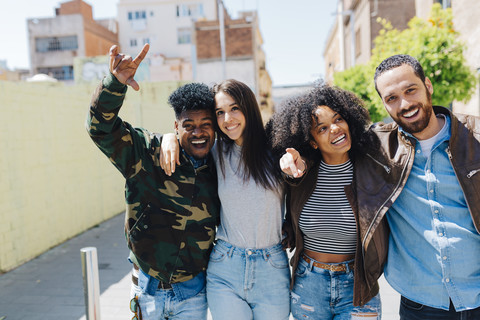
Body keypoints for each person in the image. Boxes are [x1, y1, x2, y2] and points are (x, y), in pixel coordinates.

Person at [86, 43, 220, 320]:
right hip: (146, 288)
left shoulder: (221, 167)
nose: (198, 132)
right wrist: (115, 83)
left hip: (193, 292)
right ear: (176, 127)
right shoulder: (146, 153)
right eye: (188, 125)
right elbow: (101, 128)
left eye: (206, 124)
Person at [160, 79, 291, 320]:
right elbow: (188, 137)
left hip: (272, 267)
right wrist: (169, 137)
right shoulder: (215, 151)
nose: (227, 119)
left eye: (234, 108)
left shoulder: (277, 150)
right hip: (225, 266)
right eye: (220, 112)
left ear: (248, 108)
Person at [371, 54, 480, 319]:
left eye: (410, 90)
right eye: (392, 98)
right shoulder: (377, 149)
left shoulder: (475, 137)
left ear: (428, 85)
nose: (405, 104)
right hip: (421, 305)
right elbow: (328, 143)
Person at [266, 83, 382, 319]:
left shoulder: (371, 169)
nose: (335, 129)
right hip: (309, 284)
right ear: (312, 141)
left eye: (339, 119)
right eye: (322, 128)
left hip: (358, 286)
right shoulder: (302, 174)